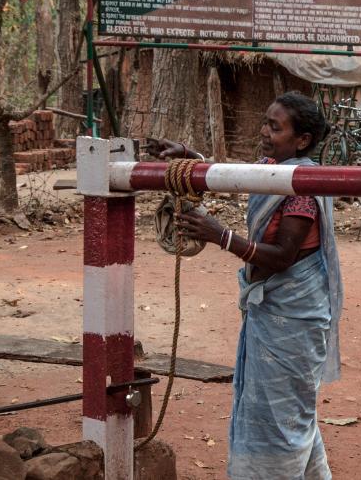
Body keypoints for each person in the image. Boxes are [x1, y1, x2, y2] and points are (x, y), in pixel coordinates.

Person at [146, 91, 342, 480]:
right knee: (283, 410)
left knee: (283, 415)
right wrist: (189, 155)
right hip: (274, 311)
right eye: (266, 122)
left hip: (295, 316)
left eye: (275, 126)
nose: (265, 132)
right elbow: (231, 172)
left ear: (302, 140)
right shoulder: (271, 167)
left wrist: (222, 236)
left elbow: (283, 255)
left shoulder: (301, 185)